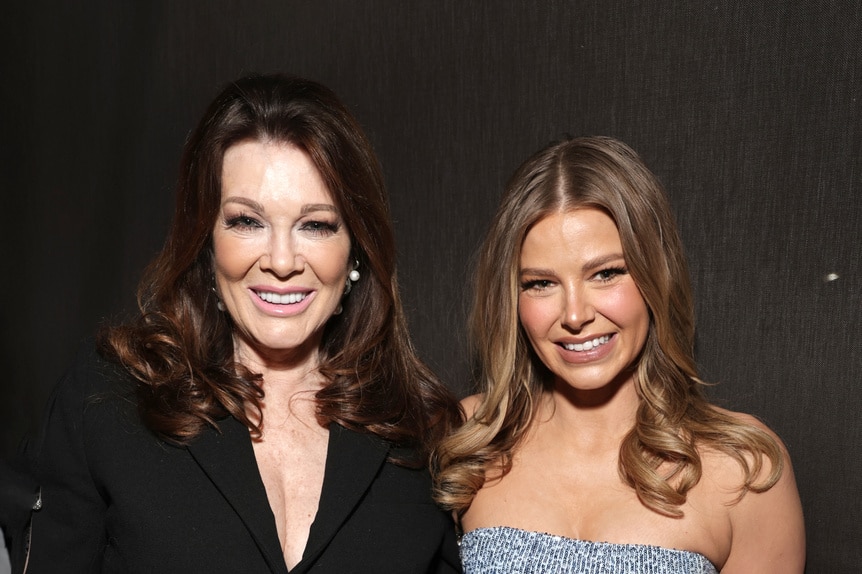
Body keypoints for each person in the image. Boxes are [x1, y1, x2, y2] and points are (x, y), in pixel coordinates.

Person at [15, 74, 462, 573]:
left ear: (355, 247)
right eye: (247, 221)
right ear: (205, 240)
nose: (282, 260)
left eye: (315, 224)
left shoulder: (420, 434)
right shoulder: (109, 399)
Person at [433, 137, 805, 573]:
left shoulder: (742, 469)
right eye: (540, 283)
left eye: (606, 274)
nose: (574, 315)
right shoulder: (468, 439)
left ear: (655, 277)